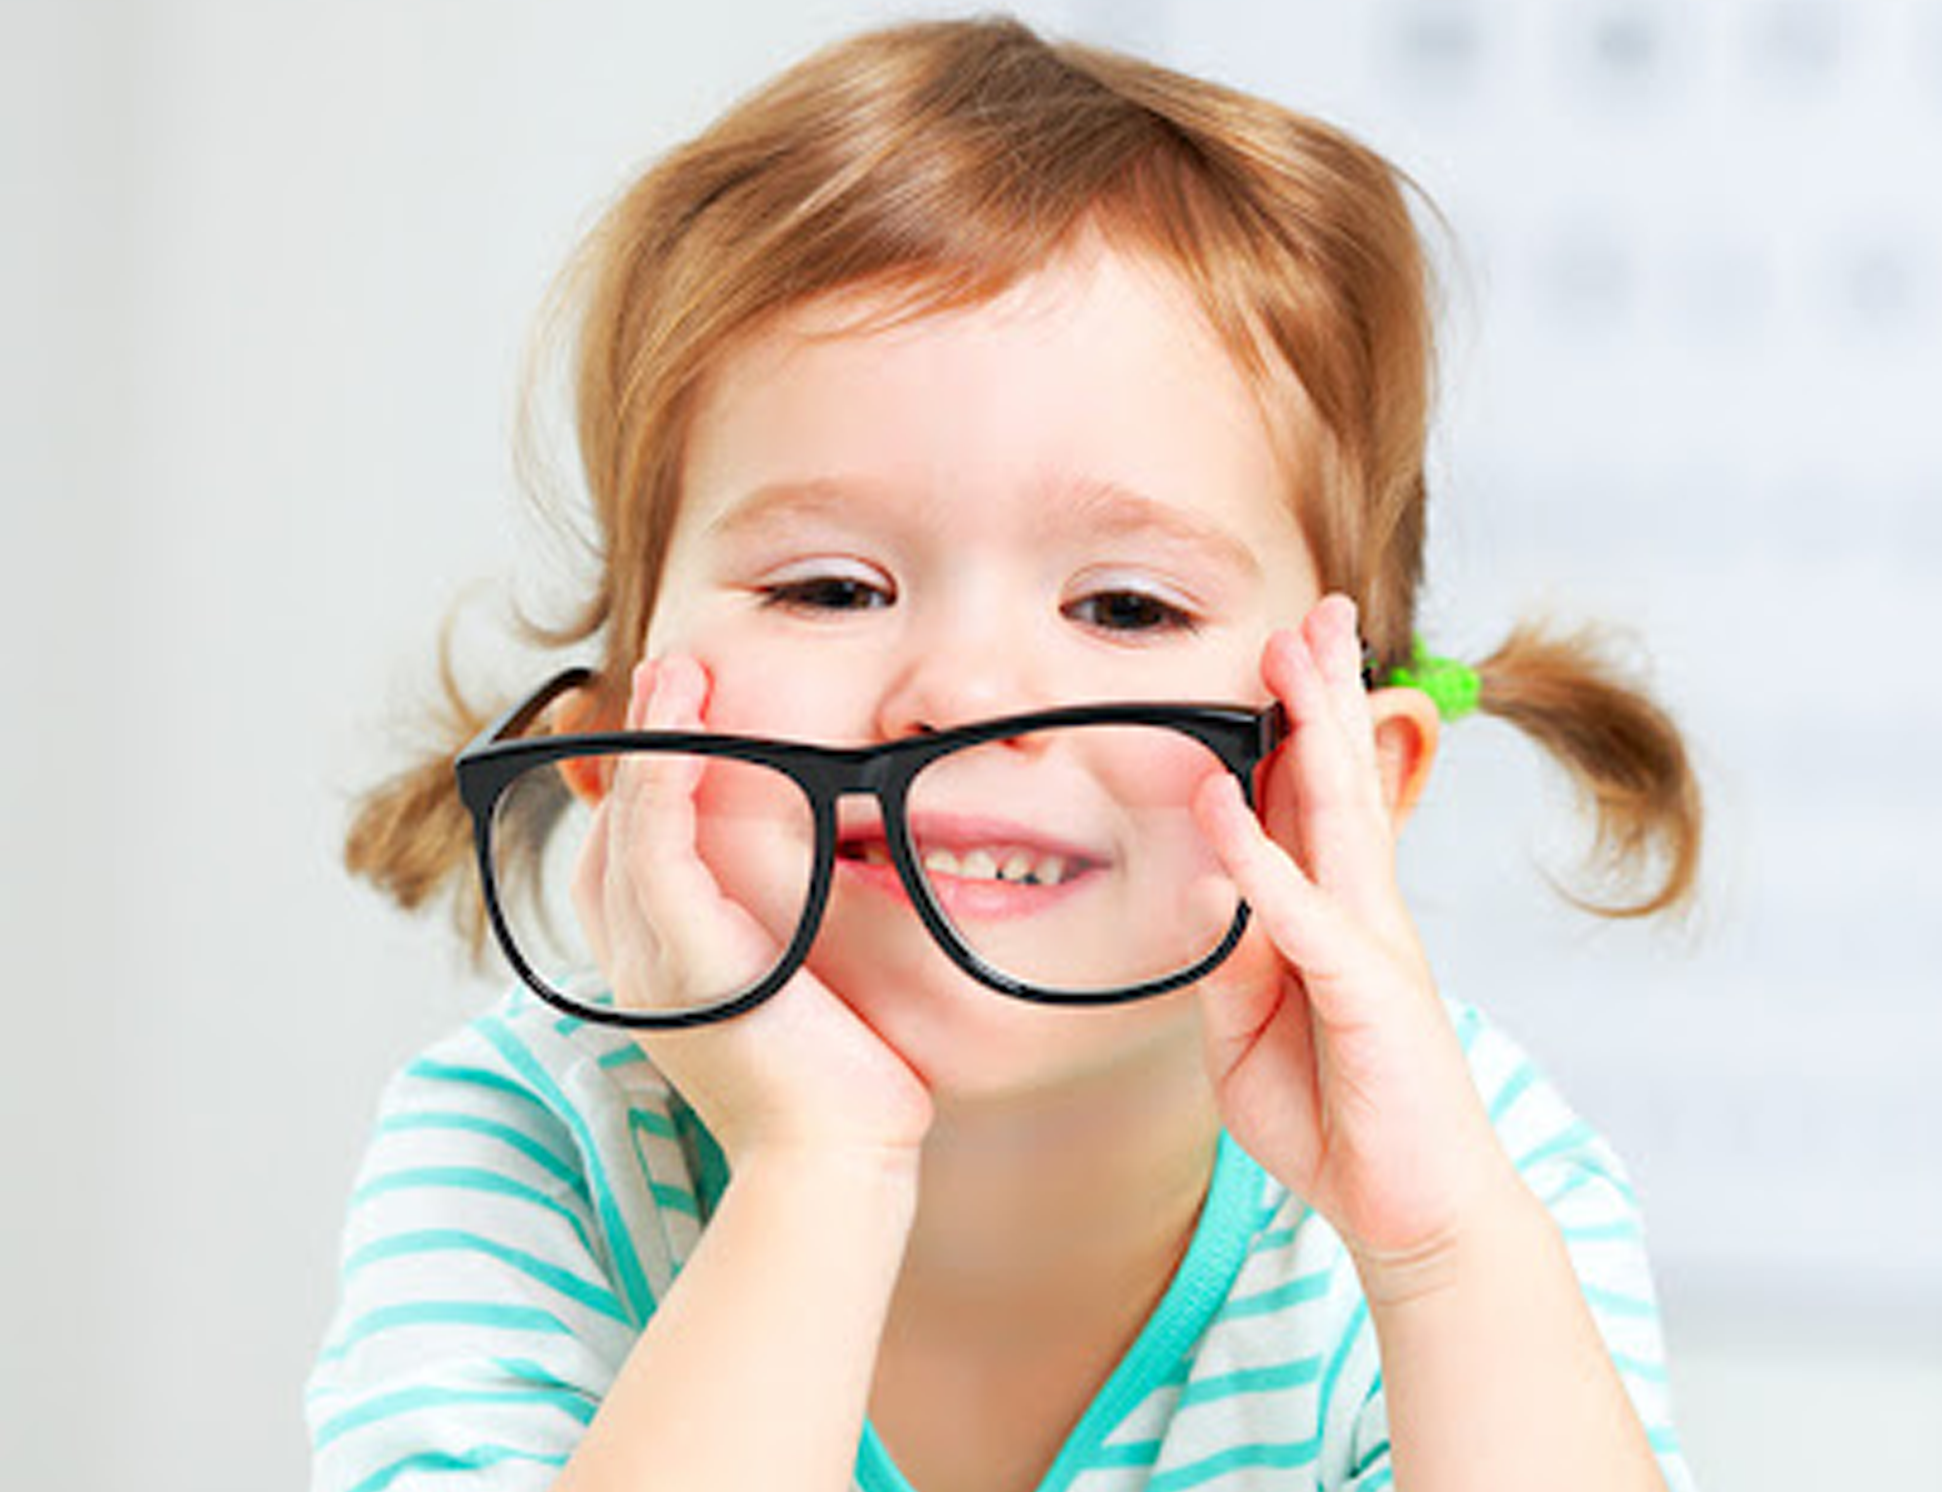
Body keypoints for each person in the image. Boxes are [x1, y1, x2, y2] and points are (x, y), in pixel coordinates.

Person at [309, 15, 1705, 1491]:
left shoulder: (1460, 1181)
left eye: (1124, 605)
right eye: (830, 589)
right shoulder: (531, 1155)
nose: (964, 690)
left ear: (1339, 784)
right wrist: (815, 1176)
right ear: (611, 745)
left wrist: (1433, 1251)